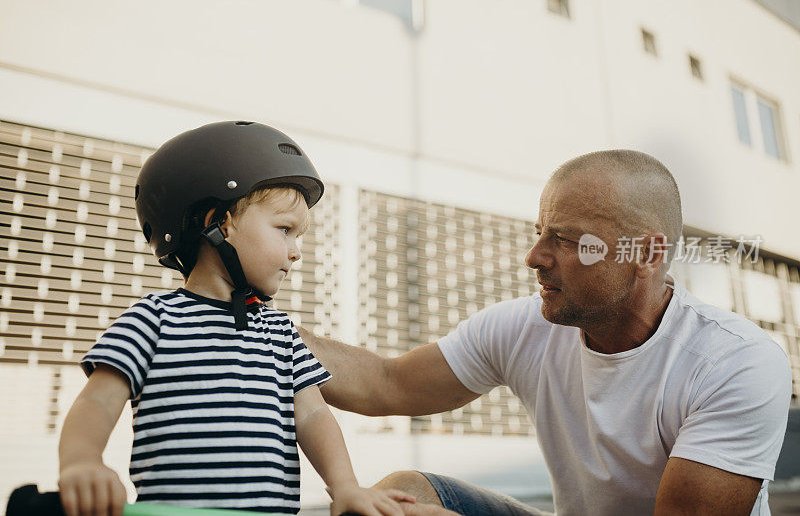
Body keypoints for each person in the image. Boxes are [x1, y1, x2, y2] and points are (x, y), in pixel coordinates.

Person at [300, 149, 793, 516]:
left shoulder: (734, 361)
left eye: (566, 239)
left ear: (645, 254)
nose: (535, 256)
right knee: (403, 498)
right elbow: (387, 384)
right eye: (540, 232)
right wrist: (263, 329)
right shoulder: (524, 326)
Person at [57, 121, 414, 516]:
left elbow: (313, 415)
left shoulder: (278, 333)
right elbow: (98, 402)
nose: (296, 251)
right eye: (285, 230)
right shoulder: (154, 320)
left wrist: (345, 485)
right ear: (221, 223)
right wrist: (83, 460)